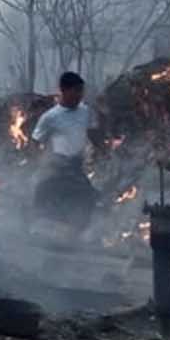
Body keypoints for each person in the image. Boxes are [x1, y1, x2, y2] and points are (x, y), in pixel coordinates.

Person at [30, 71, 105, 229]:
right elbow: (36, 141)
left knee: (89, 196)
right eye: (76, 91)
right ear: (64, 90)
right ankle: (39, 227)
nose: (79, 95)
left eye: (81, 91)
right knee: (43, 190)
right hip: (57, 164)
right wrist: (39, 161)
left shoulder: (86, 111)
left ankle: (79, 232)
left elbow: (92, 133)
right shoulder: (50, 117)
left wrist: (102, 150)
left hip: (77, 164)